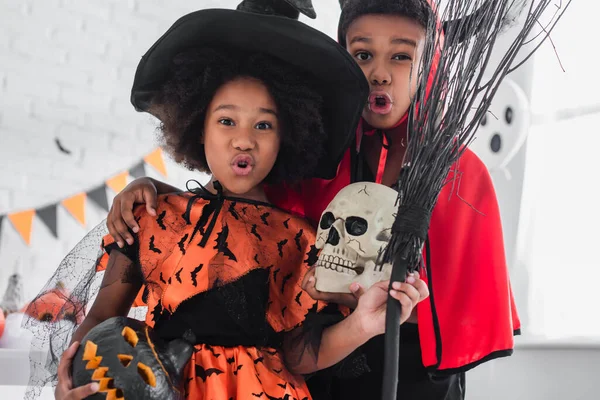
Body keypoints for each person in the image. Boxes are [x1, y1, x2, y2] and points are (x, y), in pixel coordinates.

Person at [105, 0, 521, 399]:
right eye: (362, 55)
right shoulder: (316, 165)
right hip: (317, 371)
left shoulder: (459, 173)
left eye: (401, 57)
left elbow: (461, 301)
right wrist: (159, 194)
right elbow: (240, 212)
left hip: (411, 372)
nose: (379, 74)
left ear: (431, 65)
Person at [43, 4, 430, 400]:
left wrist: (363, 325)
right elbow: (104, 315)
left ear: (288, 136)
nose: (244, 139)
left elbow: (297, 353)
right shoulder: (153, 217)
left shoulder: (299, 239)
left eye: (264, 125)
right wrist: (74, 381)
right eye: (227, 120)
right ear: (197, 126)